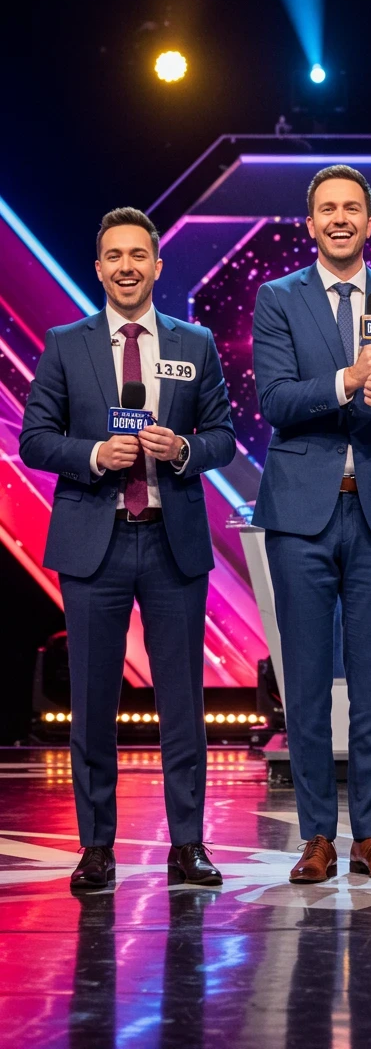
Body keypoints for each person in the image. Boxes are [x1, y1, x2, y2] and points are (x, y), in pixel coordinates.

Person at [20, 207, 236, 891]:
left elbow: (224, 439)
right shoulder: (64, 344)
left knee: (183, 705)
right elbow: (33, 440)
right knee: (92, 704)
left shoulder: (194, 345)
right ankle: (96, 848)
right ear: (98, 267)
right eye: (114, 256)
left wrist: (183, 449)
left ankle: (189, 846)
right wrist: (92, 453)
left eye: (138, 255)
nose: (126, 266)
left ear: (156, 265)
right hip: (94, 541)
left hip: (172, 542)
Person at [252, 164, 371, 884]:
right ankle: (316, 837)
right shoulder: (277, 298)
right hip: (301, 514)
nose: (339, 218)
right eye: (326, 208)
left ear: (368, 220)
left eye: (351, 208)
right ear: (310, 223)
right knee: (304, 684)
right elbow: (275, 400)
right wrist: (348, 382)